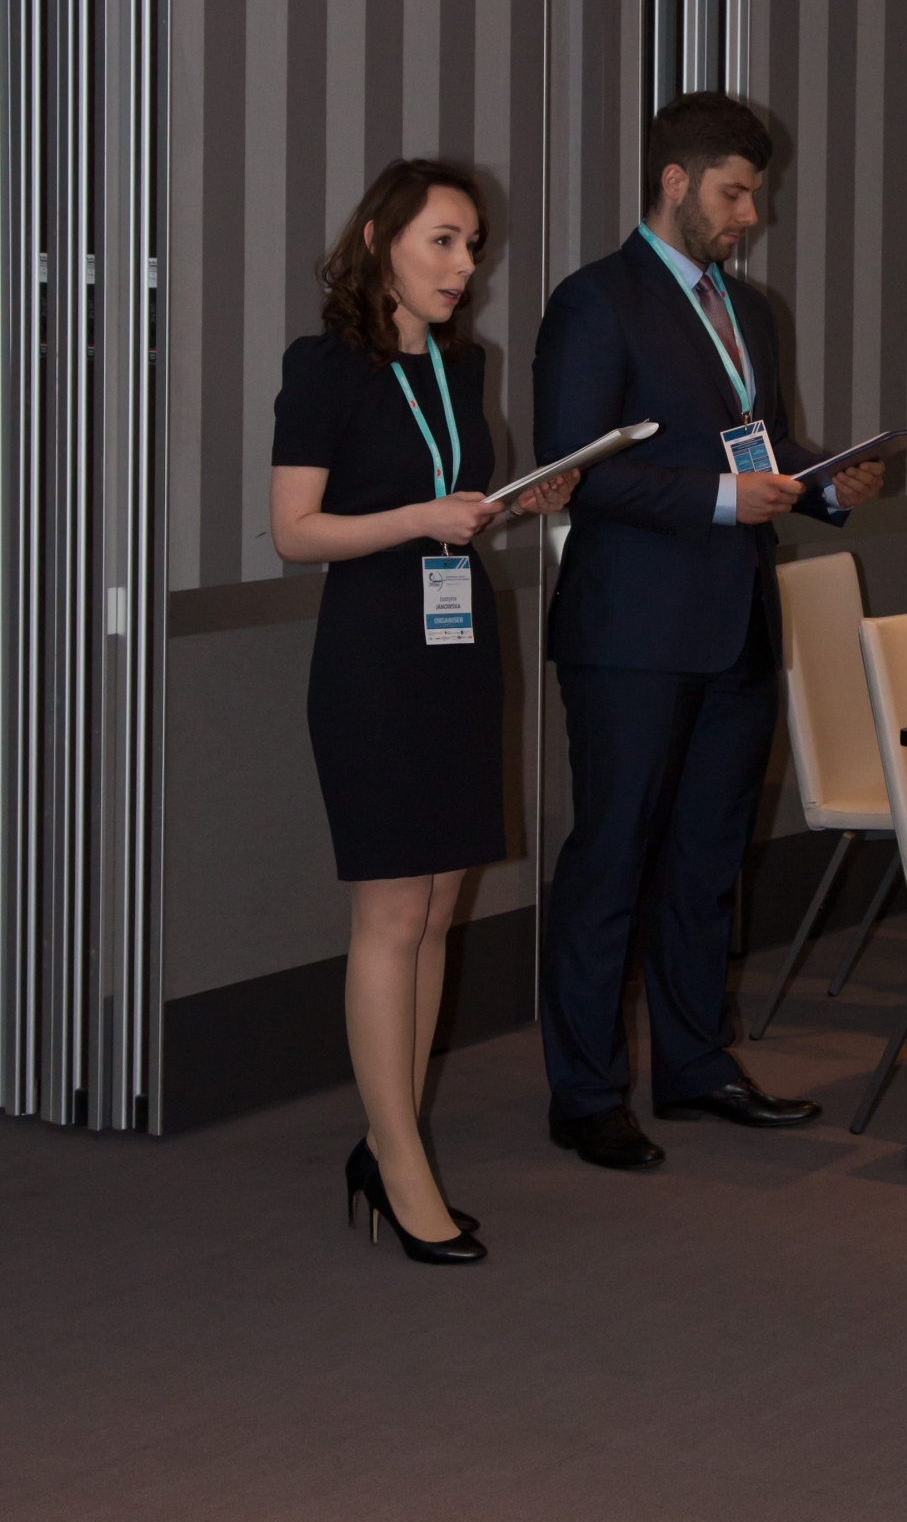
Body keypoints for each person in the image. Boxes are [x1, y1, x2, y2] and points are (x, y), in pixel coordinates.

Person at [532, 91, 885, 1172]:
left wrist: (826, 484)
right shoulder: (595, 302)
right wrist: (725, 502)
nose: (749, 216)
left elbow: (755, 444)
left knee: (705, 862)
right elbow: (576, 472)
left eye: (755, 196)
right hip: (629, 634)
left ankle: (694, 1065)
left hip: (735, 624)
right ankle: (586, 1093)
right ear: (674, 182)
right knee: (612, 862)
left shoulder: (751, 310)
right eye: (734, 195)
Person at [270, 158, 576, 1264]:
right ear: (378, 242)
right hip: (374, 652)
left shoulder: (461, 363)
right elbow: (295, 531)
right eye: (442, 241)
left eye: (471, 245)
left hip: (458, 643)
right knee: (391, 915)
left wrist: (518, 504)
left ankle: (383, 1140)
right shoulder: (323, 367)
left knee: (439, 910)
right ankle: (400, 1164)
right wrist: (418, 518)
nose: (463, 266)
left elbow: (459, 506)